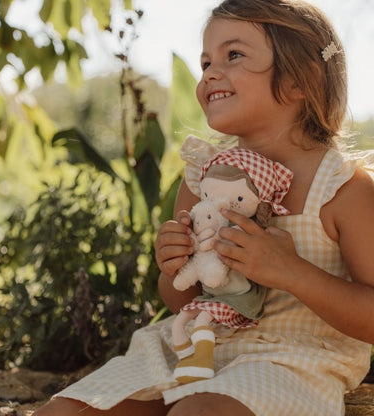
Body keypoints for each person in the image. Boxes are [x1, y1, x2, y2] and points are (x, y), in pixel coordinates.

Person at [33, 0, 374, 415]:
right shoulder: (202, 177)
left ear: (301, 78)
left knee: (198, 412)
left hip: (292, 360)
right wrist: (173, 268)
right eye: (206, 61)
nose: (211, 72)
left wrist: (294, 273)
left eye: (234, 55)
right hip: (192, 345)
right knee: (65, 412)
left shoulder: (343, 188)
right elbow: (183, 300)